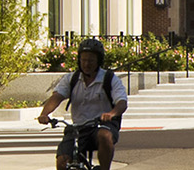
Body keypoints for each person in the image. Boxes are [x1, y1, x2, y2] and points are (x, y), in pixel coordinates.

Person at [38, 37, 128, 170]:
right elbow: (57, 97)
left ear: (98, 61)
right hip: (78, 128)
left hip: (101, 125)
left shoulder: (109, 79)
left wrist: (111, 113)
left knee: (105, 135)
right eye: (84, 60)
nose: (87, 64)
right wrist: (44, 114)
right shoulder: (71, 79)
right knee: (63, 161)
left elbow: (122, 102)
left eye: (91, 60)